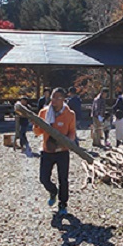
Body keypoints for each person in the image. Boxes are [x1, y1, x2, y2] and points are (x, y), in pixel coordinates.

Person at [33, 87, 76, 216]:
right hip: (47, 150)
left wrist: (66, 142)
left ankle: (63, 204)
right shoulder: (44, 112)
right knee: (43, 178)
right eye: (52, 97)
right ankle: (53, 191)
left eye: (57, 97)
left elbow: (72, 132)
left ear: (63, 99)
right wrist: (36, 125)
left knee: (63, 179)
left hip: (62, 151)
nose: (54, 100)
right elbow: (37, 132)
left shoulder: (70, 114)